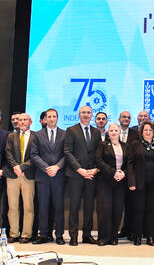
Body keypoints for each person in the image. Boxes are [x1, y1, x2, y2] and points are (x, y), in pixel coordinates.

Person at [64, 105, 101, 246]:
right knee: (74, 206)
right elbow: (67, 152)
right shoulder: (71, 130)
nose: (86, 114)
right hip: (76, 175)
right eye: (83, 112)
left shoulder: (96, 132)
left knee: (89, 207)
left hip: (91, 175)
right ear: (79, 114)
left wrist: (95, 169)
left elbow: (99, 153)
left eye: (88, 112)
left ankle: (87, 235)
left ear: (92, 115)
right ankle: (73, 235)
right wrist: (79, 169)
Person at [30, 109, 66, 245]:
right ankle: (43, 234)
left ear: (57, 118)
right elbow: (34, 155)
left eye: (54, 116)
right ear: (45, 119)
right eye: (49, 116)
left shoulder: (65, 134)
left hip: (58, 176)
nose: (51, 119)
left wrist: (57, 167)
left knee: (59, 207)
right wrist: (46, 168)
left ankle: (59, 235)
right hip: (43, 176)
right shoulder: (37, 135)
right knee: (43, 207)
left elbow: (67, 154)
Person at [127, 121, 154, 246]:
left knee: (152, 210)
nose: (148, 132)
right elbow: (130, 164)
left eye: (150, 130)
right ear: (141, 132)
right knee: (138, 210)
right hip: (138, 183)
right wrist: (131, 181)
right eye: (145, 130)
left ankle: (150, 236)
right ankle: (137, 236)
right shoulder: (134, 145)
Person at [4, 113, 36, 243]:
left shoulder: (36, 136)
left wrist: (22, 167)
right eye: (20, 120)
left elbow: (36, 156)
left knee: (28, 207)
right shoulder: (11, 136)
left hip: (28, 175)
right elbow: (8, 152)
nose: (22, 122)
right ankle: (14, 233)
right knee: (12, 207)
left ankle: (26, 234)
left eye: (25, 120)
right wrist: (15, 167)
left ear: (30, 122)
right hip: (13, 175)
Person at [95, 123, 128, 246]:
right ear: (108, 132)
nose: (114, 132)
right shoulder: (103, 145)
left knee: (117, 209)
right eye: (111, 130)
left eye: (116, 130)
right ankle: (103, 237)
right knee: (105, 209)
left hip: (120, 181)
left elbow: (130, 163)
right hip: (105, 181)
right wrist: (113, 172)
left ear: (119, 132)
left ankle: (114, 236)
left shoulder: (125, 146)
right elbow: (99, 161)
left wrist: (124, 173)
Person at [117, 110, 138, 240]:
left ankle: (129, 230)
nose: (126, 119)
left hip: (130, 173)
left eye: (128, 117)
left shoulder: (136, 134)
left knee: (131, 205)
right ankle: (118, 229)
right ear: (119, 119)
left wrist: (126, 172)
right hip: (115, 174)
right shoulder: (113, 132)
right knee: (118, 204)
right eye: (124, 117)